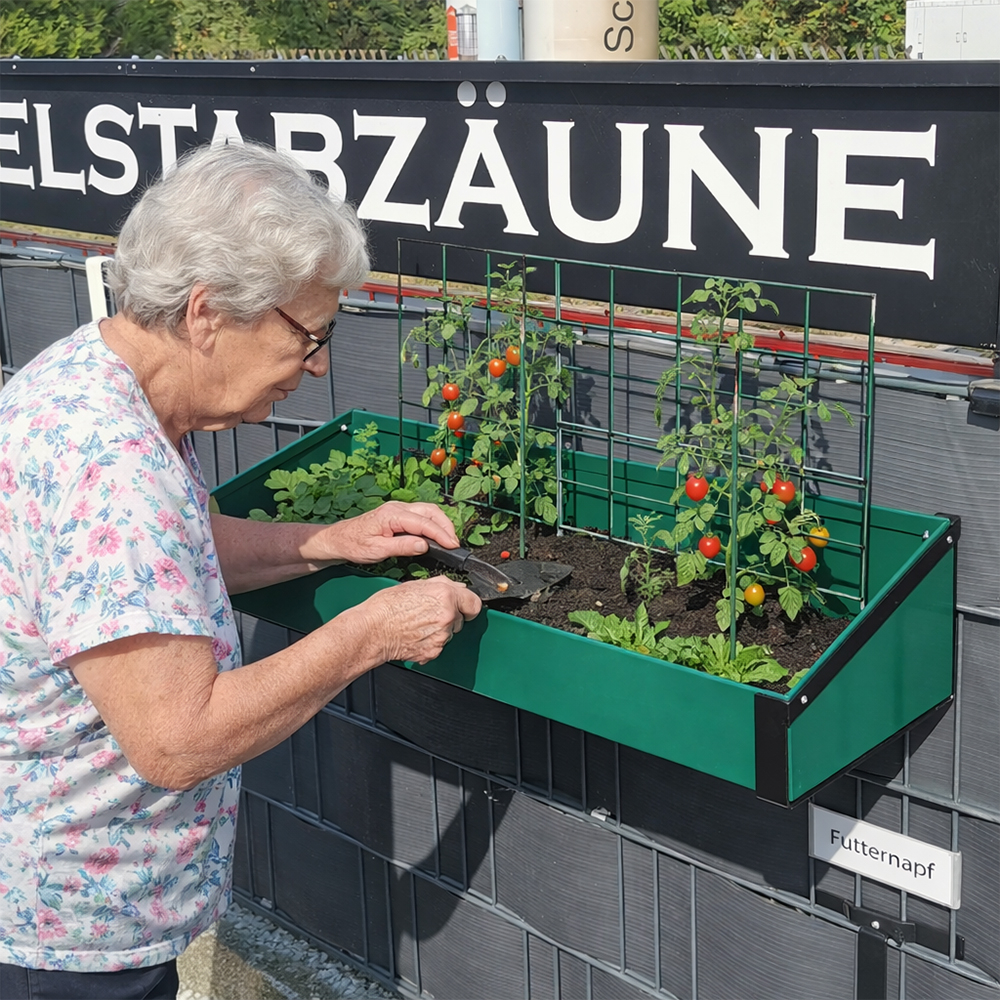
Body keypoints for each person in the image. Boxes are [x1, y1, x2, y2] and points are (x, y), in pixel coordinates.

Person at [0, 141, 481, 1000]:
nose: (322, 363)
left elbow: (154, 565)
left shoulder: (96, 380)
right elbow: (179, 740)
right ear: (207, 312)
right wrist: (372, 631)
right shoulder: (111, 467)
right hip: (68, 941)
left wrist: (327, 541)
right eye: (311, 333)